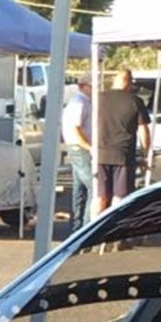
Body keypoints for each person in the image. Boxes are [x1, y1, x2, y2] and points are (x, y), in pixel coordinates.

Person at [96, 67, 150, 214]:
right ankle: (112, 229)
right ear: (129, 82)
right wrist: (146, 154)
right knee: (120, 196)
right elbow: (144, 131)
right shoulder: (135, 101)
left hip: (100, 153)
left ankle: (93, 228)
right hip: (123, 154)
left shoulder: (98, 98)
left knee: (100, 195)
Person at [62, 73, 93, 230]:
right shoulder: (79, 102)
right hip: (80, 148)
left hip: (77, 147)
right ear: (83, 86)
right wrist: (88, 146)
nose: (95, 90)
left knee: (79, 189)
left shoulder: (82, 101)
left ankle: (77, 226)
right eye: (92, 87)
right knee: (94, 187)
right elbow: (76, 127)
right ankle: (86, 227)